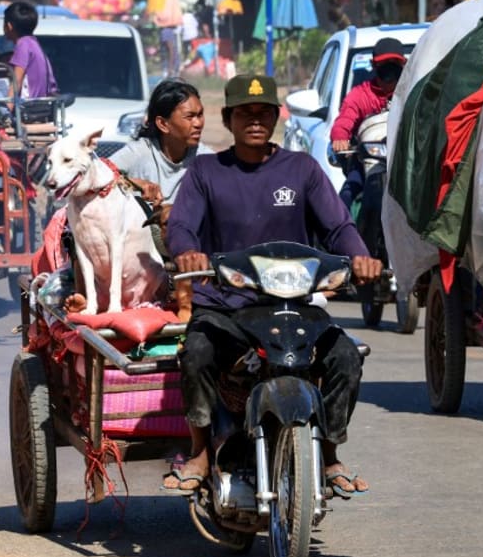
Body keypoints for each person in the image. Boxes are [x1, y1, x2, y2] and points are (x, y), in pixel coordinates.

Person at [162, 74, 383, 494]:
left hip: (293, 306)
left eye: (264, 113)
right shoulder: (206, 171)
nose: (255, 121)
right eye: (245, 113)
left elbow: (338, 226)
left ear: (276, 117)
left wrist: (360, 256)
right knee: (197, 351)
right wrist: (188, 252)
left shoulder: (302, 169)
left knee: (345, 357)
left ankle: (330, 453)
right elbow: (182, 226)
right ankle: (200, 451)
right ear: (228, 119)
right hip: (226, 305)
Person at [109, 78, 211, 207]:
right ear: (163, 124)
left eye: (200, 115)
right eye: (189, 117)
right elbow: (97, 175)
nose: (198, 123)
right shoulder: (140, 152)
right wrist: (133, 183)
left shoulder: (205, 159)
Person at [330, 38, 406, 208]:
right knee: (345, 197)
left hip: (406, 161)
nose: (390, 69)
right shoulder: (360, 95)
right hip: (366, 161)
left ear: (404, 64)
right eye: (384, 64)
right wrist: (340, 137)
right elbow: (344, 119)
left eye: (394, 64)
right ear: (373, 66)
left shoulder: (413, 92)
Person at [3, 1, 58, 103]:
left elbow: (17, 81)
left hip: (29, 107)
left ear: (9, 26)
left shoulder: (23, 45)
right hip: (42, 105)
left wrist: (6, 109)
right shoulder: (33, 43)